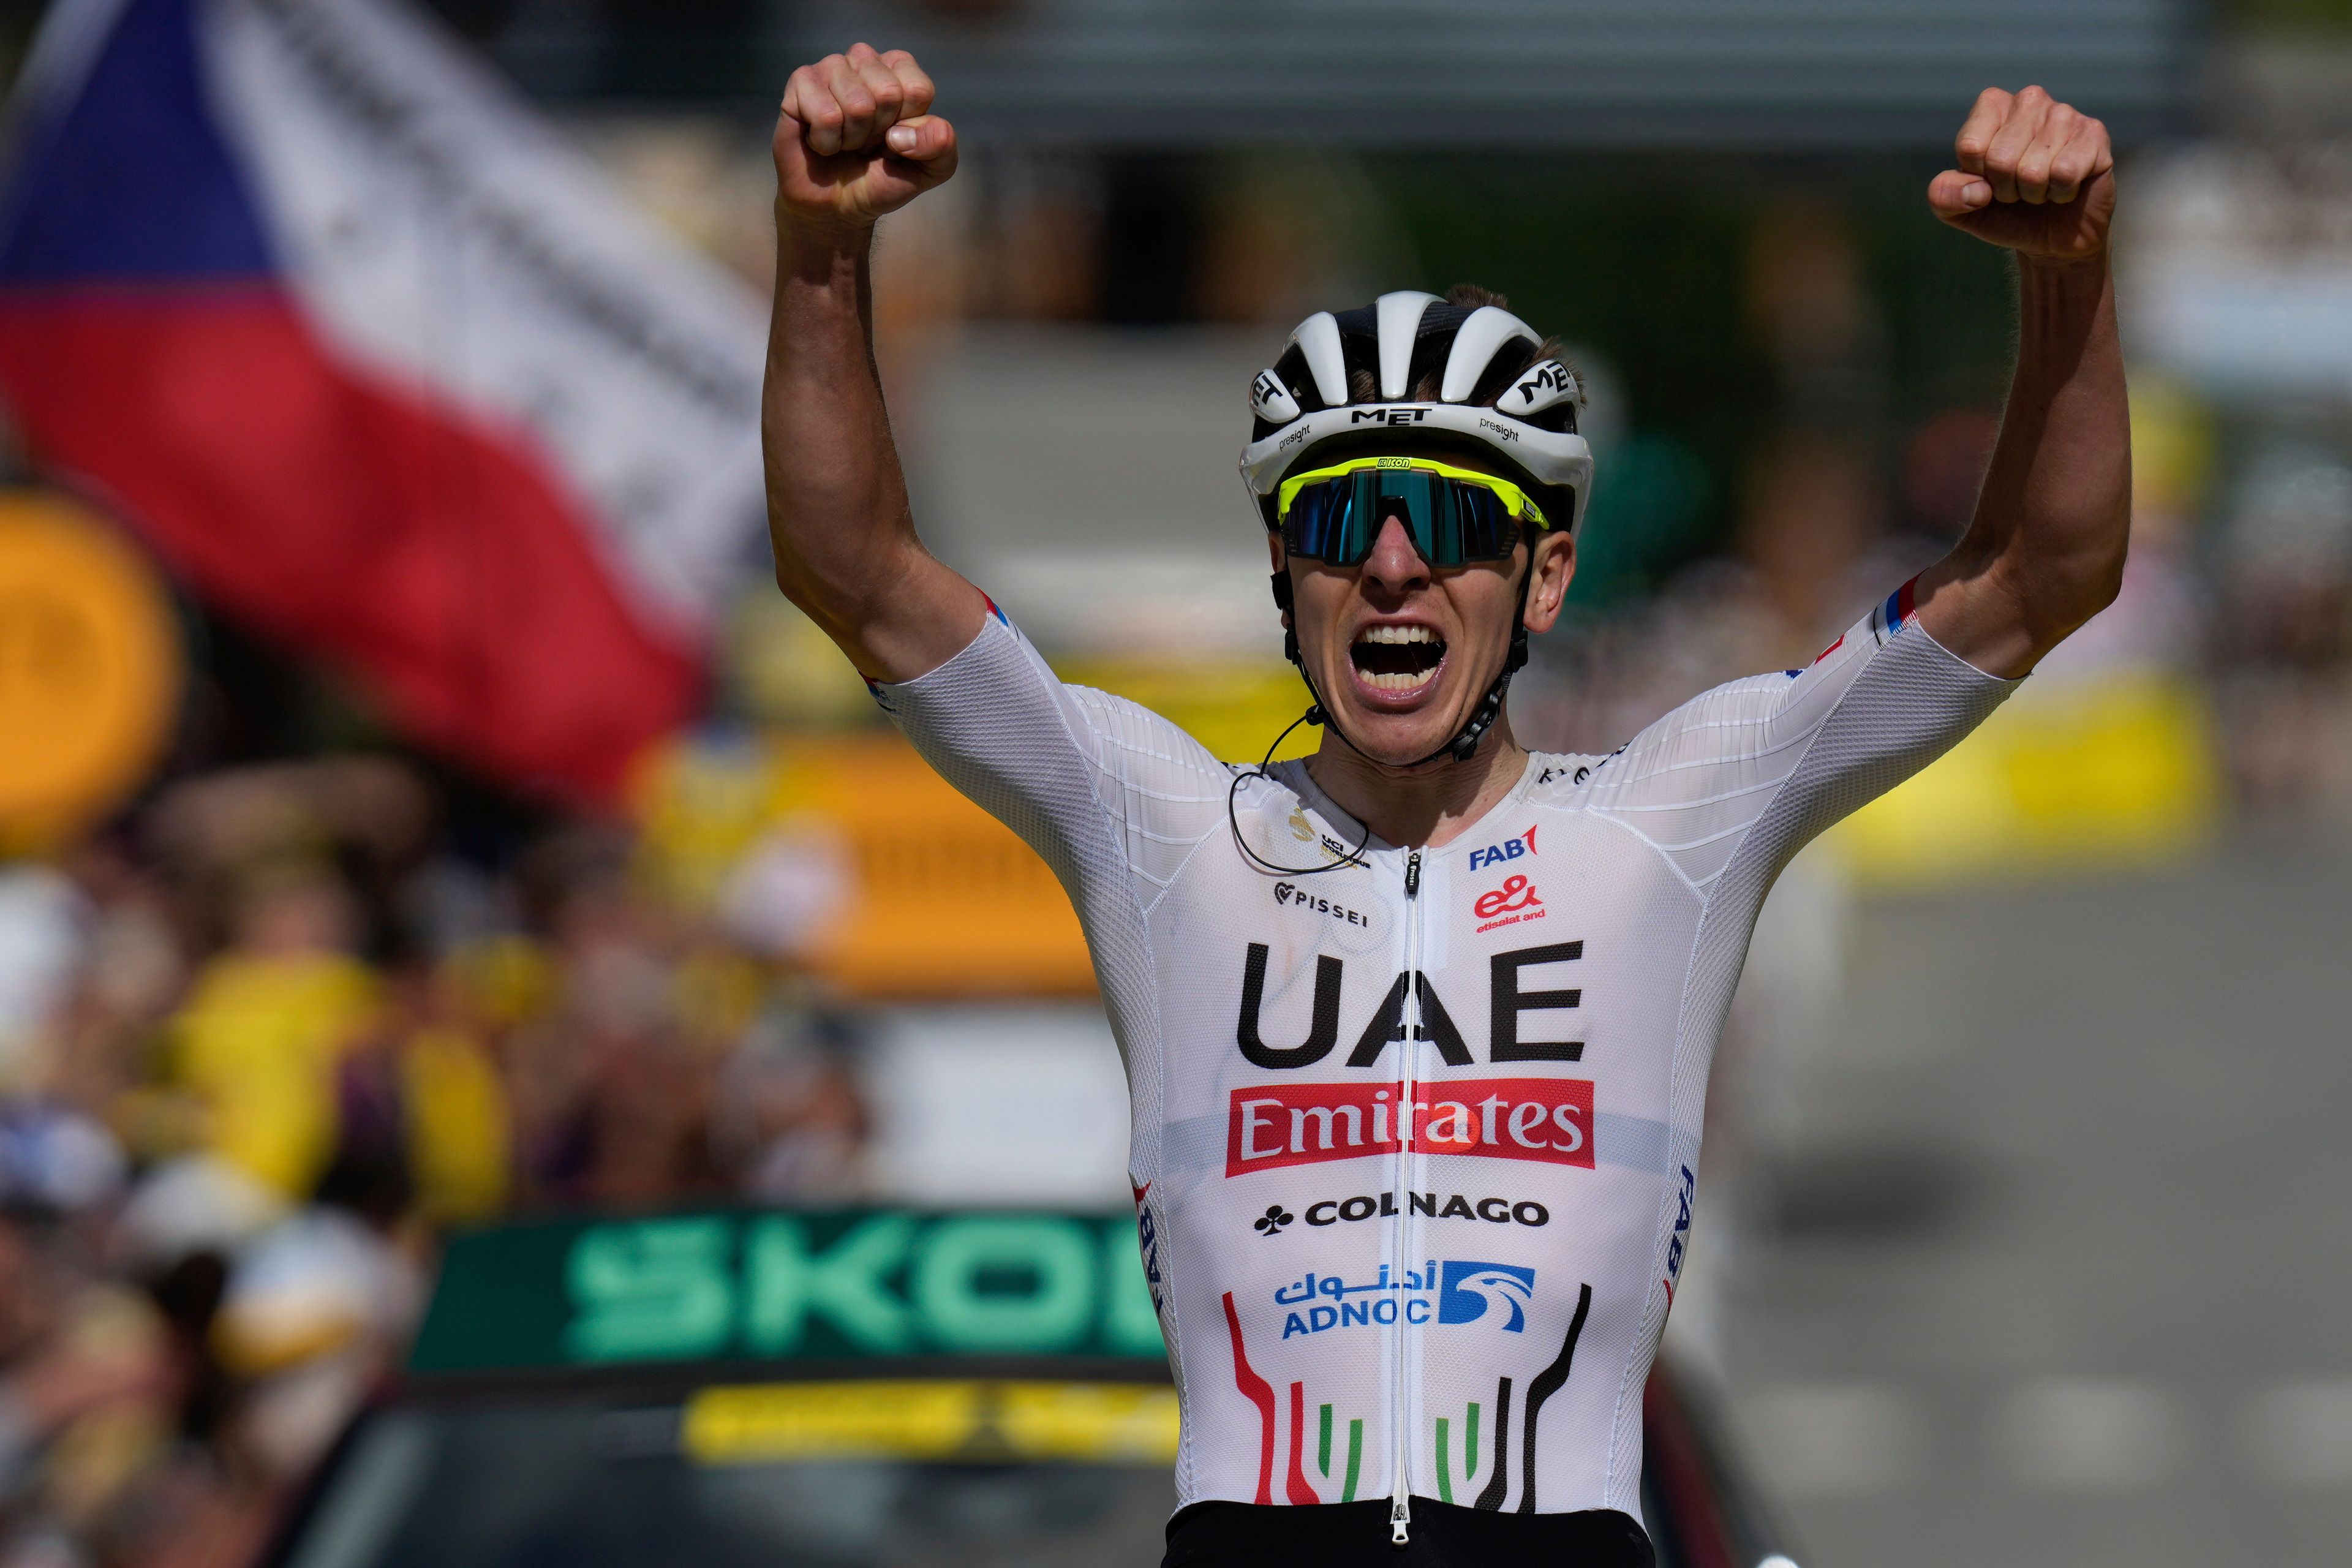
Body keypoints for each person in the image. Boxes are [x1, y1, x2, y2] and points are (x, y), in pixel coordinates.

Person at [763, 47, 2125, 1568]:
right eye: (1341, 517)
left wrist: (2068, 280)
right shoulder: (1162, 828)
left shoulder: (1668, 819)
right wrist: (823, 250)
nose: (1396, 564)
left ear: (1543, 576)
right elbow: (856, 567)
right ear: (1287, 576)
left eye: (1458, 519)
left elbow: (2041, 573)